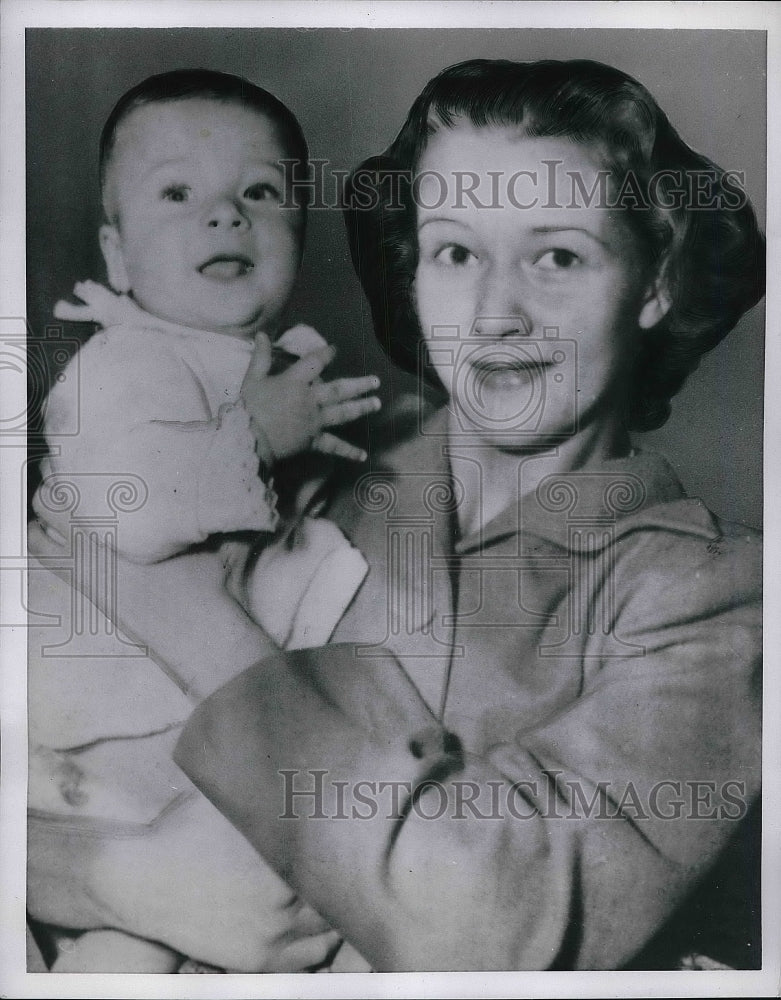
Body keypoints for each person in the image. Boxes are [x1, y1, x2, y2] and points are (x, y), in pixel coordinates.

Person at [28, 57, 764, 972]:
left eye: (558, 255)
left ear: (653, 284)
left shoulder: (716, 598)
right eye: (456, 252)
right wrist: (112, 881)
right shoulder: (299, 454)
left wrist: (188, 618)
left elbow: (485, 929)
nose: (494, 313)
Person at [27, 67, 379, 972]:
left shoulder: (259, 367)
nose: (224, 216)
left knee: (253, 915)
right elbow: (121, 513)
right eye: (177, 192)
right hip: (89, 741)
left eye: (259, 193)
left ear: (297, 239)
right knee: (132, 946)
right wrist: (256, 437)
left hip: (186, 735)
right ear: (115, 253)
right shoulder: (120, 364)